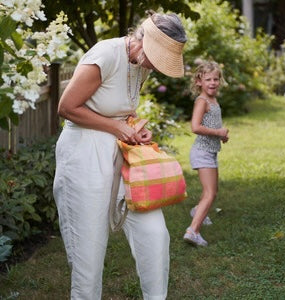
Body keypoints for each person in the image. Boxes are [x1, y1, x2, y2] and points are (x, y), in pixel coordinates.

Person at [53, 10, 187, 300]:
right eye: (157, 58)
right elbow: (66, 107)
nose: (156, 66)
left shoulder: (141, 63)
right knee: (88, 250)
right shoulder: (105, 55)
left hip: (122, 155)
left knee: (154, 234)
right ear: (144, 42)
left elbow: (124, 107)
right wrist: (115, 127)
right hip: (83, 155)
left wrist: (134, 127)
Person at [183, 59, 229, 247]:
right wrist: (218, 133)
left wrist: (221, 136)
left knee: (211, 191)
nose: (212, 83)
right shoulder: (202, 101)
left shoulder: (213, 100)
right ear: (199, 82)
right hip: (202, 151)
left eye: (215, 79)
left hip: (210, 151)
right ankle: (193, 231)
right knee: (210, 194)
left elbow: (211, 124)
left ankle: (197, 210)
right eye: (208, 79)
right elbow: (195, 126)